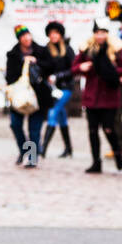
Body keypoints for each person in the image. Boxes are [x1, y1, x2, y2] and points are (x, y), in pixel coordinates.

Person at [72, 20, 122, 174]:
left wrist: (112, 70)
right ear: (94, 34)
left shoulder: (116, 48)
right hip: (92, 96)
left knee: (108, 128)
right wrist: (81, 67)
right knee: (92, 130)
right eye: (97, 32)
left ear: (107, 34)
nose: (100, 35)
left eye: (103, 32)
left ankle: (117, 153)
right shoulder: (87, 49)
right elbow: (74, 68)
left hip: (109, 95)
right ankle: (96, 162)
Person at [4, 26, 52, 166]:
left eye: (28, 35)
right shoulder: (13, 54)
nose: (27, 38)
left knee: (34, 129)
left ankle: (32, 158)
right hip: (20, 95)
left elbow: (50, 66)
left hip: (38, 96)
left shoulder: (41, 51)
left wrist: (36, 62)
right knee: (15, 124)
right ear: (19, 39)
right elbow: (10, 76)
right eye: (23, 36)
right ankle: (24, 149)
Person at [40, 22, 75, 158]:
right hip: (52, 89)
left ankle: (43, 149)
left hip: (65, 87)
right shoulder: (46, 50)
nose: (53, 36)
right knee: (62, 117)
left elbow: (73, 69)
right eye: (51, 33)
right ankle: (69, 148)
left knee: (53, 112)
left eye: (56, 33)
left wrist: (58, 76)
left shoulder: (67, 49)